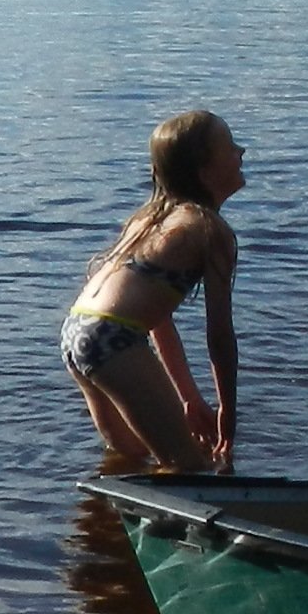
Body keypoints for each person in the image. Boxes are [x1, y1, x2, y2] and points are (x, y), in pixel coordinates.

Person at [61, 108, 244, 473]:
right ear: (204, 170)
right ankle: (171, 528)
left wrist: (188, 397)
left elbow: (158, 320)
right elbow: (220, 337)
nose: (242, 152)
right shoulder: (210, 231)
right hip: (114, 338)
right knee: (190, 468)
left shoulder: (149, 219)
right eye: (230, 147)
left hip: (78, 331)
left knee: (130, 455)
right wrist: (227, 412)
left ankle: (104, 524)